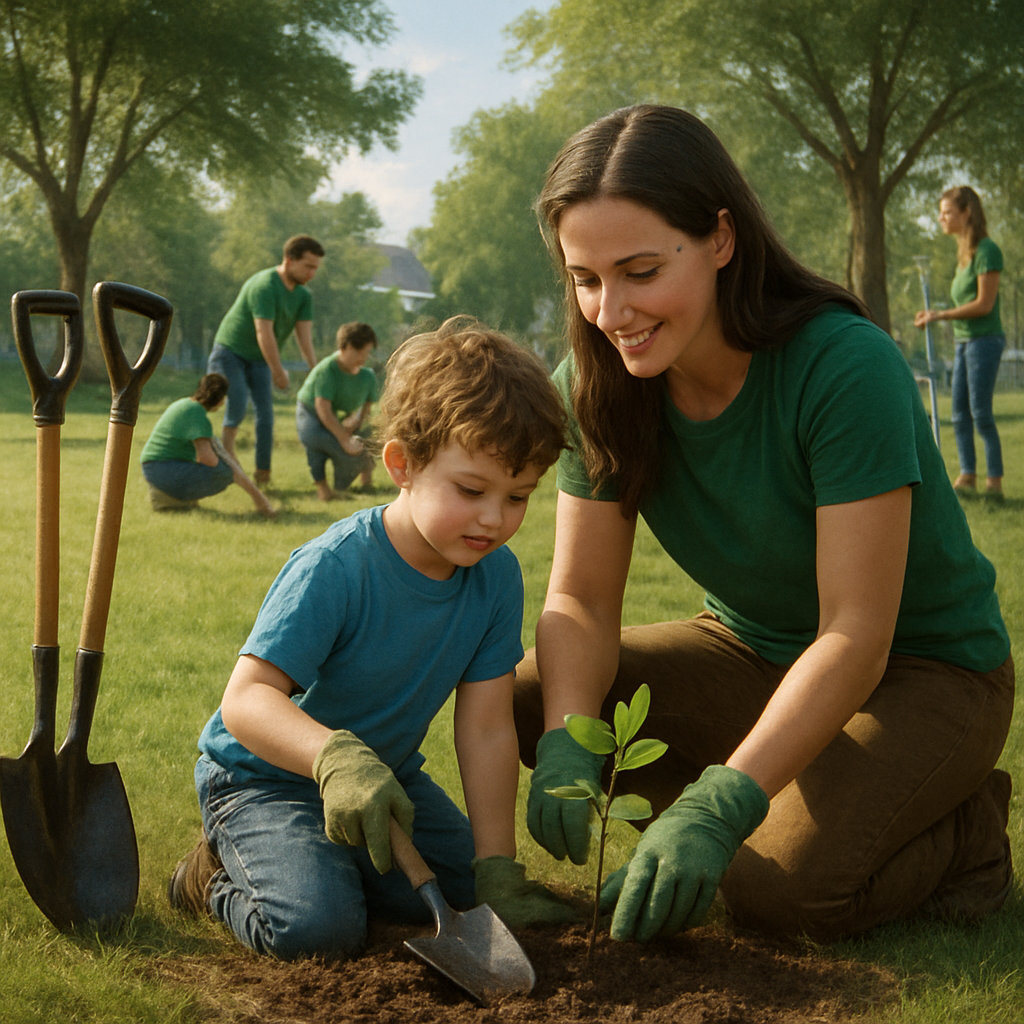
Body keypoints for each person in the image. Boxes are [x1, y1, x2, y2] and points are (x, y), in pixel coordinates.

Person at [515, 105, 1014, 945]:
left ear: (719, 237)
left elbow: (856, 634)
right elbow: (581, 600)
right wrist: (567, 736)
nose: (611, 311)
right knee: (536, 696)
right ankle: (778, 808)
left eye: (640, 271)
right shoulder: (595, 383)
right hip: (752, 650)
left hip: (926, 671)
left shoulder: (843, 366)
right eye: (585, 277)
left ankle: (967, 836)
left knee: (775, 896)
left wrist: (720, 804)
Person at [168, 318, 576, 959]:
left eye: (518, 497)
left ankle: (334, 861)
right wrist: (332, 758)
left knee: (466, 892)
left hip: (385, 783)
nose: (495, 519)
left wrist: (496, 866)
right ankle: (211, 877)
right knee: (320, 930)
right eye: (471, 490)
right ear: (401, 465)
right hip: (264, 781)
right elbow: (246, 703)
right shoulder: (336, 567)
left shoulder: (495, 577)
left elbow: (488, 727)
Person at [207, 235, 325, 487]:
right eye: (308, 266)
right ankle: (228, 461)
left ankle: (263, 474)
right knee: (237, 403)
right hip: (231, 352)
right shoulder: (264, 285)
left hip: (259, 358)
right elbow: (264, 332)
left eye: (316, 267)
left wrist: (314, 368)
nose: (312, 273)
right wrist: (278, 369)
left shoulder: (304, 296)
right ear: (289, 260)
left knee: (266, 415)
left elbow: (303, 335)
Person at [915, 187, 1007, 500]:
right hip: (964, 341)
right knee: (958, 412)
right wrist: (935, 314)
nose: (941, 218)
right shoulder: (964, 256)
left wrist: (940, 315)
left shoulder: (987, 251)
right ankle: (967, 477)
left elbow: (984, 304)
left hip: (985, 341)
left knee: (980, 412)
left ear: (967, 212)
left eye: (947, 212)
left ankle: (994, 483)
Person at [140, 373, 276, 518]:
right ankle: (262, 504)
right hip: (163, 469)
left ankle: (177, 501)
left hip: (154, 467)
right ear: (220, 401)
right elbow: (208, 459)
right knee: (225, 472)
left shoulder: (184, 403)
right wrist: (227, 462)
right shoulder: (197, 414)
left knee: (224, 462)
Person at [296, 321, 379, 501]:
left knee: (366, 437)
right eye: (360, 352)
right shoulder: (327, 370)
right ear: (346, 347)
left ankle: (362, 483)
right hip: (311, 413)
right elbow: (323, 409)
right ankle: (323, 488)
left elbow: (366, 407)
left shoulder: (367, 376)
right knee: (316, 439)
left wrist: (355, 422)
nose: (364, 358)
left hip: (339, 415)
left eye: (367, 353)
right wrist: (344, 439)